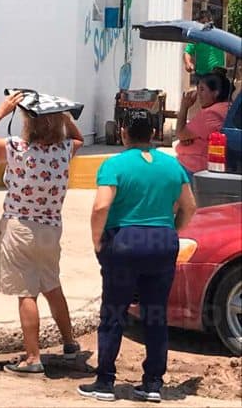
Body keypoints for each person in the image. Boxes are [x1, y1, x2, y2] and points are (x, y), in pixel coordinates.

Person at [77, 109, 196, 402]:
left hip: (124, 243)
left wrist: (96, 241)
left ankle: (105, 382)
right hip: (162, 242)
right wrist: (172, 231)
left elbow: (100, 207)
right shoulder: (172, 165)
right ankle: (153, 383)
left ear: (123, 133)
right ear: (154, 134)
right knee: (155, 314)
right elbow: (189, 207)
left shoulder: (114, 164)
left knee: (114, 314)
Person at [0, 91, 84, 377]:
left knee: (26, 292)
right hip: (51, 227)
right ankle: (70, 343)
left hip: (20, 226)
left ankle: (33, 357)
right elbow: (79, 138)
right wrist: (65, 116)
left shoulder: (17, 149)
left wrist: (2, 109)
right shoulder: (63, 150)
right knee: (51, 285)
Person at [175, 71, 231, 178]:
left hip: (192, 166)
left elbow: (180, 133)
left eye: (202, 89)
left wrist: (184, 106)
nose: (198, 94)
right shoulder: (224, 108)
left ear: (216, 93)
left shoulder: (212, 113)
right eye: (197, 89)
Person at [183, 10, 226, 84]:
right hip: (202, 75)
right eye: (200, 23)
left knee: (217, 95)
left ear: (211, 21)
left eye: (204, 22)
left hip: (217, 75)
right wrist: (188, 63)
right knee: (202, 95)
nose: (203, 25)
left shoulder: (219, 35)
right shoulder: (197, 36)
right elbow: (187, 52)